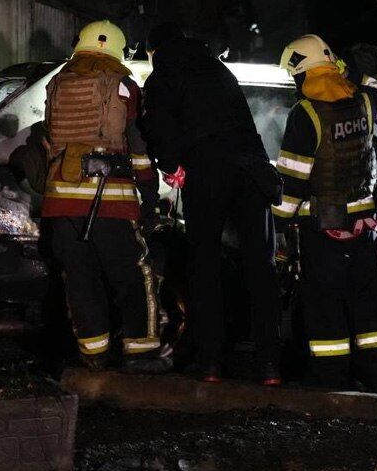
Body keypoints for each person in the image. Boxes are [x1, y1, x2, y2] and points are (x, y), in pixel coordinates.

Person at [140, 23, 282, 385]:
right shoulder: (218, 70)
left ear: (155, 51)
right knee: (261, 268)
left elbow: (157, 128)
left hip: (208, 174)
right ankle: (269, 366)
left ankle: (211, 364)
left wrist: (171, 166)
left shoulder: (162, 77)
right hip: (252, 172)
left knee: (204, 267)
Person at [41, 20, 167, 372]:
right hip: (110, 198)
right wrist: (148, 190)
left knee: (79, 278)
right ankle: (141, 351)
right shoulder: (123, 86)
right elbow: (138, 145)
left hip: (60, 199)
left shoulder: (57, 83)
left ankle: (93, 354)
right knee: (132, 273)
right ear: (118, 49)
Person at [272, 34, 377, 390]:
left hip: (323, 229)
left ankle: (330, 377)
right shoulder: (364, 103)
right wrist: (349, 71)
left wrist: (277, 223)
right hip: (364, 225)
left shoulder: (305, 114)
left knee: (325, 305)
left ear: (300, 72)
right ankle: (376, 374)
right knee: (367, 302)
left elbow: (293, 179)